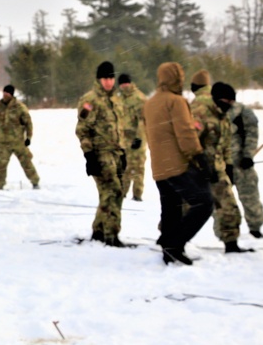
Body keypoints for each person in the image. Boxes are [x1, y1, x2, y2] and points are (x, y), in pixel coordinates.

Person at [143, 62, 213, 266]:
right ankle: (173, 243)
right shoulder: (176, 101)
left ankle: (170, 252)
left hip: (159, 166)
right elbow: (186, 133)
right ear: (177, 78)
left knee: (171, 208)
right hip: (177, 165)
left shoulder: (150, 102)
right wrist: (198, 156)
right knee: (204, 202)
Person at [191, 80, 251, 254]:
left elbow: (225, 145)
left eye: (232, 103)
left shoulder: (224, 118)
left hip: (218, 170)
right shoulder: (200, 114)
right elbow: (190, 143)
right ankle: (170, 239)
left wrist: (229, 166)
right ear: (218, 99)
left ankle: (231, 243)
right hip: (197, 171)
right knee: (187, 209)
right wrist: (201, 165)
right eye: (227, 102)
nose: (229, 106)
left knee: (229, 206)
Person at [75, 61, 128, 247]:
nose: (108, 82)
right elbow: (83, 129)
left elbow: (120, 127)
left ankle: (99, 231)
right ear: (99, 79)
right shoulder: (91, 100)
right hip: (100, 153)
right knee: (113, 191)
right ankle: (111, 235)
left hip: (116, 153)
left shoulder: (117, 100)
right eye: (105, 78)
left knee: (110, 193)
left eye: (111, 78)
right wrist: (89, 156)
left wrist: (124, 151)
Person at [225, 90, 263, 238]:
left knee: (250, 196)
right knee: (223, 203)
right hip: (222, 164)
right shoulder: (215, 113)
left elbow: (252, 133)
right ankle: (228, 233)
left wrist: (248, 156)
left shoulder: (243, 113)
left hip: (242, 163)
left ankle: (255, 227)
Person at [0, 84, 39, 190]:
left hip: (18, 142)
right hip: (4, 142)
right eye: (4, 92)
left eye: (7, 93)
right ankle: (0, 184)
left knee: (26, 162)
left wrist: (29, 137)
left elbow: (28, 123)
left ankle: (35, 182)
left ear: (11, 94)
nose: (4, 95)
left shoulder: (19, 107)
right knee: (0, 164)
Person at [117, 73, 147, 201]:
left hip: (136, 137)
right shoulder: (119, 99)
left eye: (126, 83)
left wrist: (139, 137)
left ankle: (137, 194)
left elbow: (143, 119)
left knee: (138, 166)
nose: (124, 86)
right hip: (123, 138)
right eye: (122, 84)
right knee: (124, 166)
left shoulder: (139, 98)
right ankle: (122, 192)